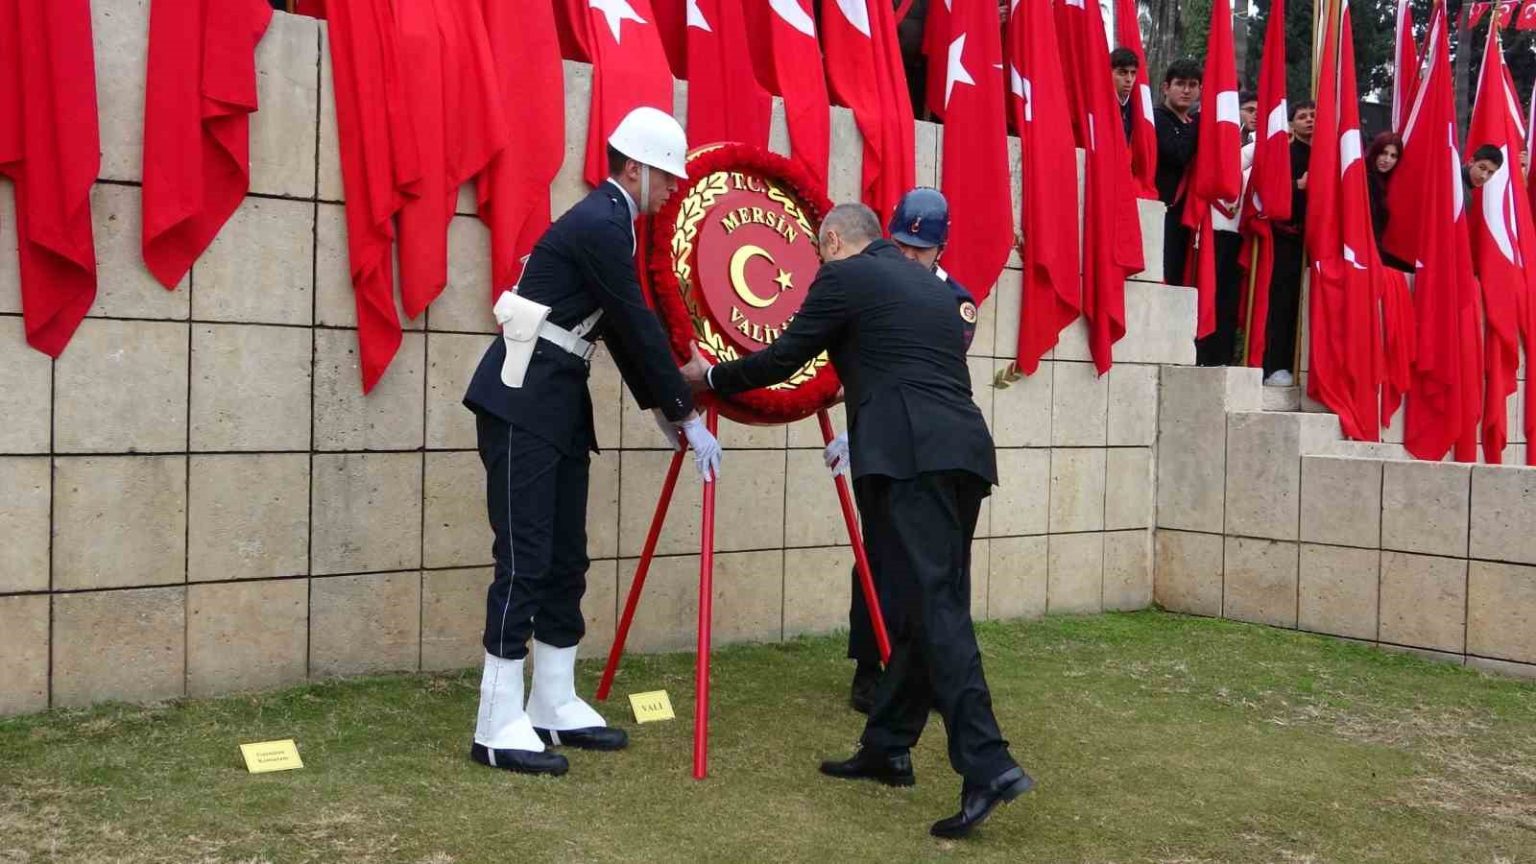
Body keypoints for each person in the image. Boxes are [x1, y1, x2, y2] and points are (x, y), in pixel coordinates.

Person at [681, 204, 1031, 840]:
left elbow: (782, 360)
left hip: (909, 459)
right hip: (964, 454)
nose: (820, 263)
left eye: (821, 251)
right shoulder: (931, 288)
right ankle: (887, 746)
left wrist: (710, 376)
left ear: (835, 240)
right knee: (920, 604)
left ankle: (988, 763)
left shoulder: (845, 276)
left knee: (936, 607)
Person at [461, 107, 723, 777]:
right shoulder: (603, 223)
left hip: (554, 400)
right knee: (524, 558)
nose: (673, 188)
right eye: (666, 175)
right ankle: (496, 722)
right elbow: (635, 322)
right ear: (633, 169)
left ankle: (551, 701)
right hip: (523, 400)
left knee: (565, 557)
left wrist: (673, 416)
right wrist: (683, 410)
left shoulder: (613, 224)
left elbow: (618, 331)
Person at [831, 187, 977, 713]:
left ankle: (927, 673)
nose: (911, 256)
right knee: (877, 556)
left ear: (942, 248)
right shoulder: (871, 283)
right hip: (878, 437)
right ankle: (869, 665)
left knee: (938, 566)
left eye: (922, 249)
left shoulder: (955, 302)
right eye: (903, 246)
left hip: (925, 442)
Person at [1262, 99, 1314, 387]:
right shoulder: (1285, 154)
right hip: (1286, 240)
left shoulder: (1328, 155)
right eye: (1302, 116)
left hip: (1315, 244)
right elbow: (1269, 192)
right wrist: (1298, 186)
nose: (1309, 120)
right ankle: (1276, 365)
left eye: (1313, 115)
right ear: (1292, 123)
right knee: (1283, 303)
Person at [1155, 58, 1203, 284]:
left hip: (1189, 216)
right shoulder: (1157, 118)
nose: (1186, 90)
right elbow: (1178, 154)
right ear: (1166, 87)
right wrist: (1199, 121)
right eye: (1180, 84)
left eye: (1192, 85)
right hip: (1162, 211)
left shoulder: (1192, 123)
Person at [1365, 132, 1411, 271]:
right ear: (1375, 152)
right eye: (1383, 153)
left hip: (1380, 246)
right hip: (1367, 247)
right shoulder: (1364, 177)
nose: (1387, 160)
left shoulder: (1392, 182)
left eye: (1393, 156)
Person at [1111, 47, 1140, 143]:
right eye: (1123, 73)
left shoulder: (1137, 108)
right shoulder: (1099, 106)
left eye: (1133, 73)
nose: (1129, 79)